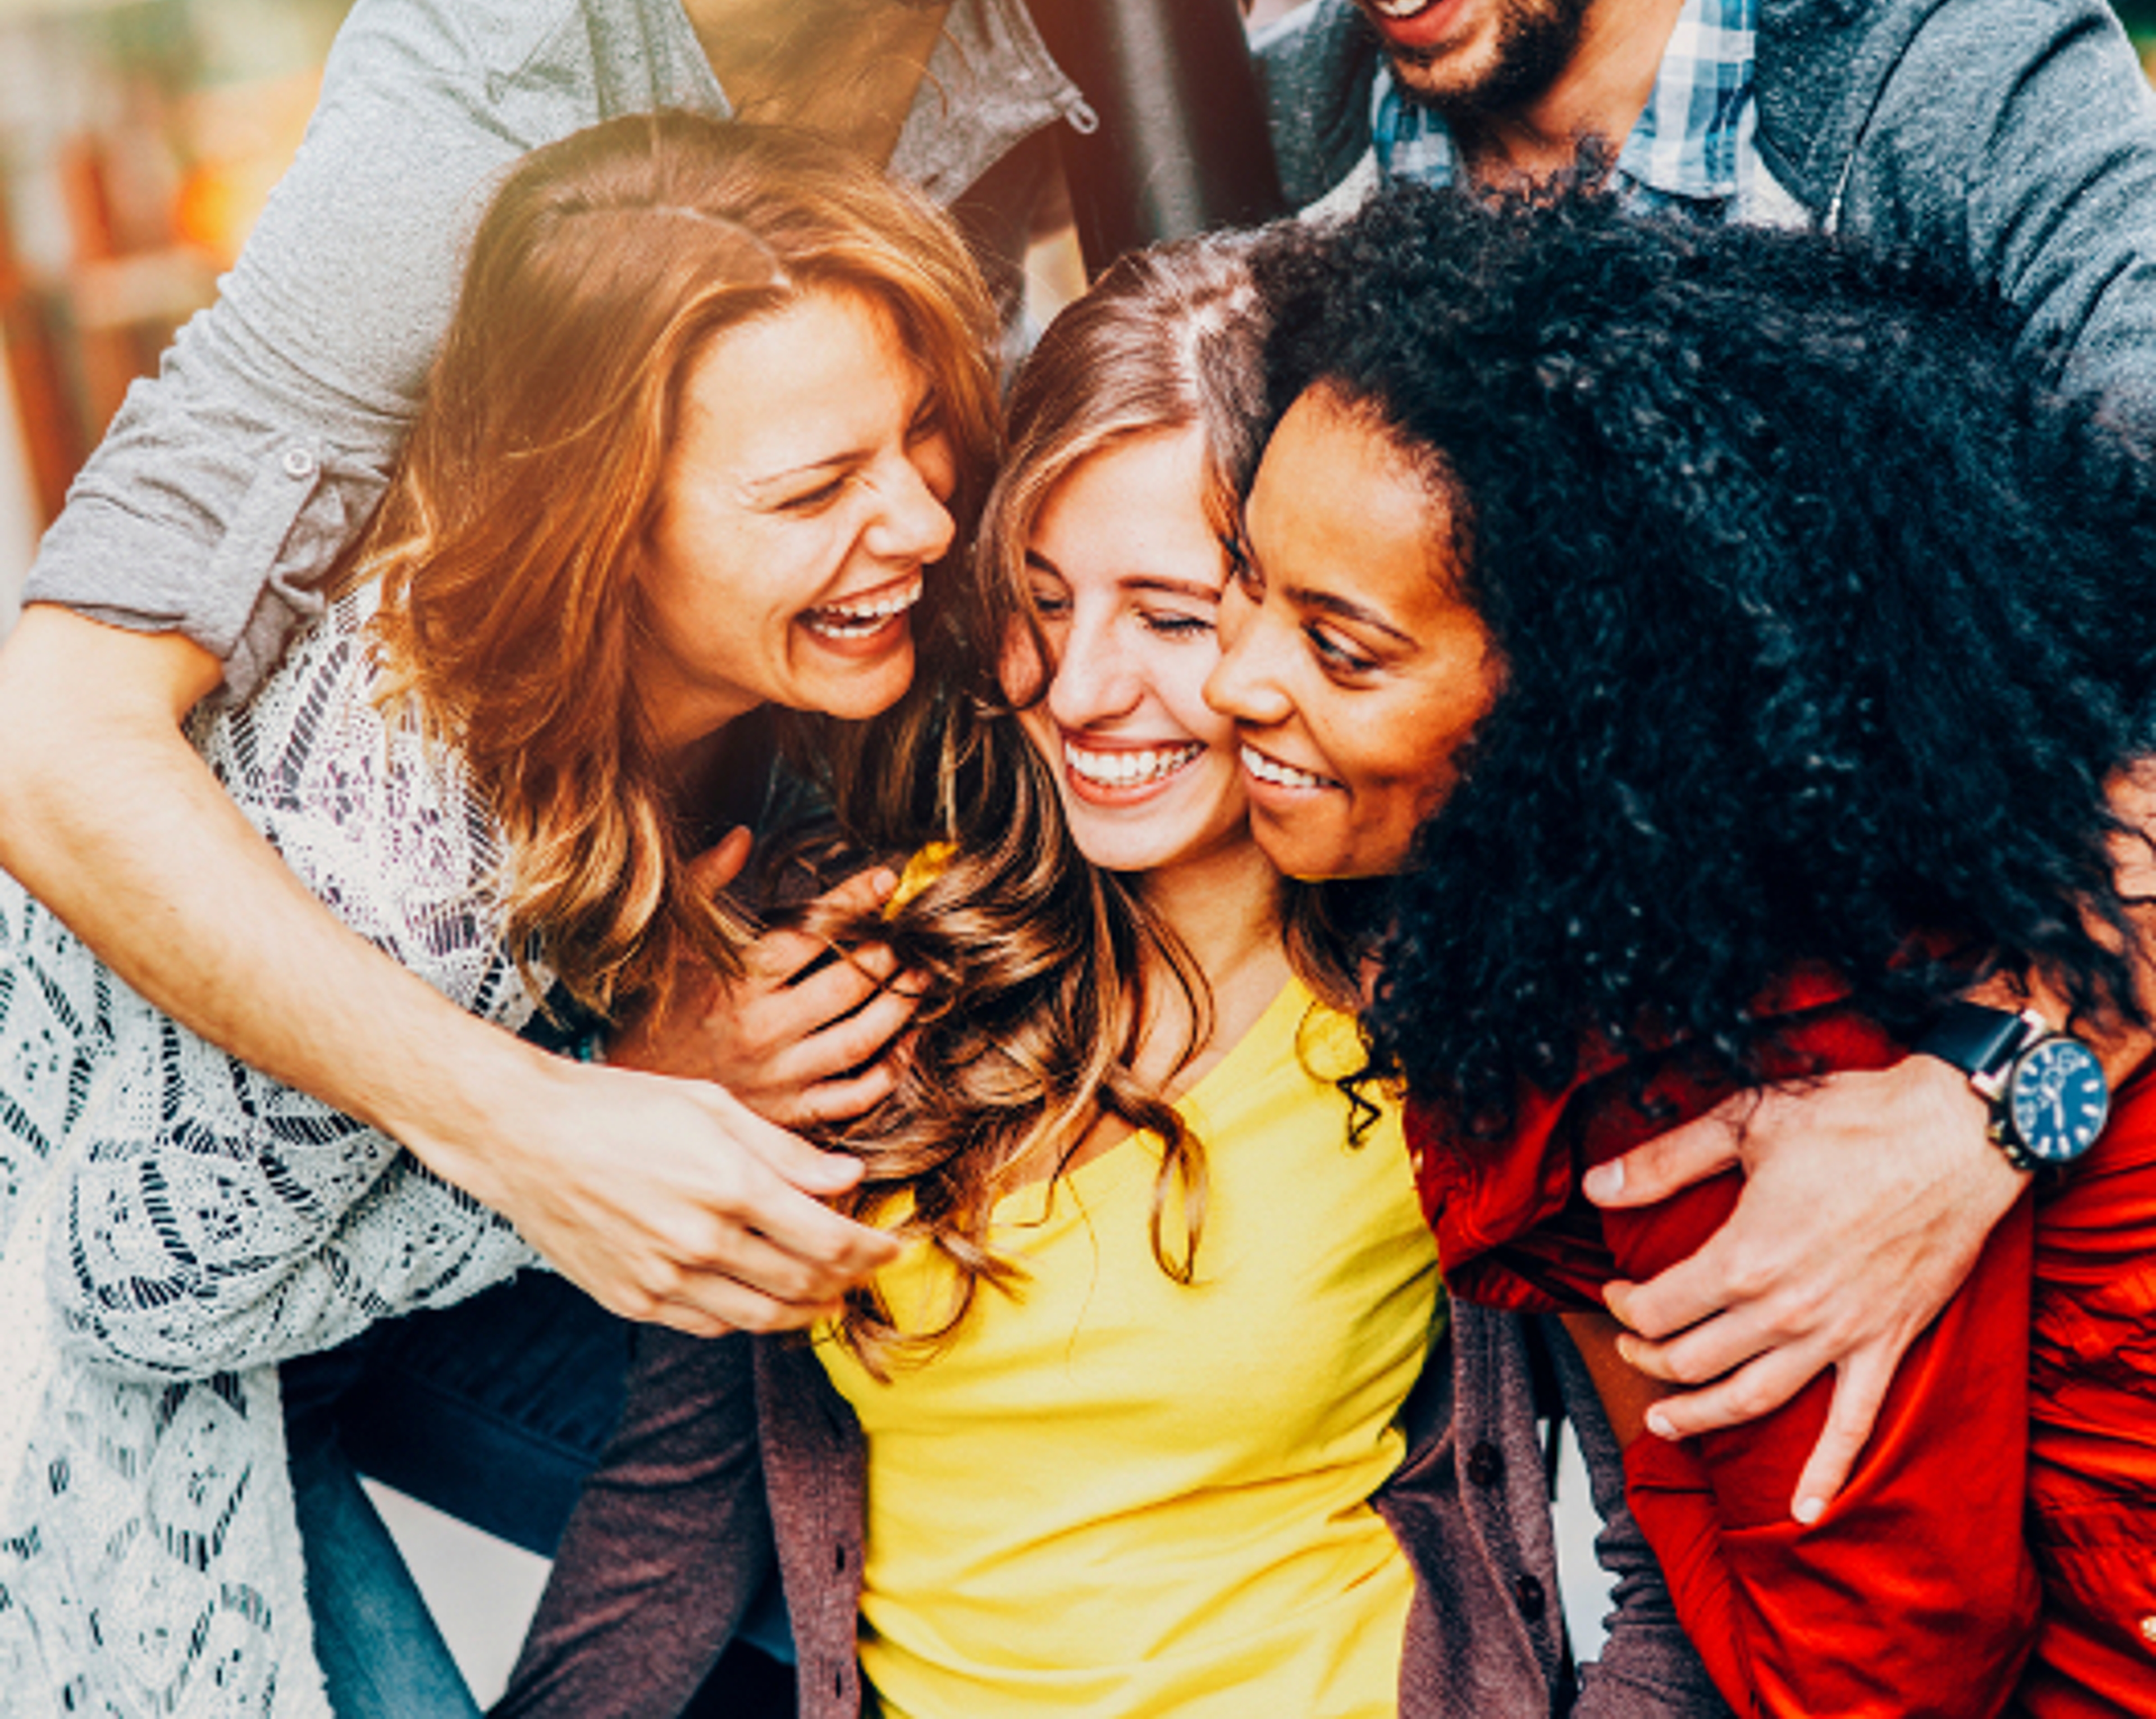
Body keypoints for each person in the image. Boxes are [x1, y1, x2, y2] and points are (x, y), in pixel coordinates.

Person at [0, 0, 1145, 1341]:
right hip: (299, 1135)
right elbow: (57, 727)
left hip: (775, 960)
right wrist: (535, 1118)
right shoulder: (481, 93)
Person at [1179, 0, 2156, 1508]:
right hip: (1488, 1271)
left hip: (1998, 1200)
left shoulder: (1950, 86)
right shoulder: (1266, 145)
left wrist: (1993, 1098)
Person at [495, 234, 1726, 1719]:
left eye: (1168, 616)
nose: (1078, 690)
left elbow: (1678, 1565)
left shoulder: (1456, 1020)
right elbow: (677, 1502)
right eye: (1045, 598)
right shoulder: (850, 960)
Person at [0, 112, 1003, 1719]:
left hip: (383, 1262)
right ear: (612, 520)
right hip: (146, 1371)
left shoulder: (800, 654)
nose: (924, 521)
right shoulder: (414, 819)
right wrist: (622, 1095)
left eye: (920, 434)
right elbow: (133, 1289)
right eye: (817, 489)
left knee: (807, 1583)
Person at [1204, 180, 2156, 1717]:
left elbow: (1874, 1677)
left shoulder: (1701, 1049)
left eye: (1342, 645)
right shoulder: (1819, 830)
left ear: (1579, 708)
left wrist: (1654, 1435)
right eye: (1245, 581)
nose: (1231, 680)